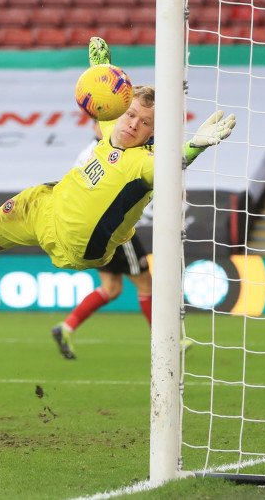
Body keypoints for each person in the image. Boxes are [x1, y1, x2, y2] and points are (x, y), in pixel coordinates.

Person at [0, 37, 236, 329]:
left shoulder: (144, 163)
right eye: (130, 115)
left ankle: (168, 338)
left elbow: (171, 166)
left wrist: (196, 145)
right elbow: (104, 98)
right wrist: (100, 70)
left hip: (78, 246)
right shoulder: (113, 122)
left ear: (153, 134)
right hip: (46, 206)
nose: (133, 124)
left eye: (145, 123)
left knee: (129, 282)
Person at [50, 121, 153, 359]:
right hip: (115, 228)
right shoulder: (106, 152)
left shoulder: (89, 152)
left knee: (112, 288)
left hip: (93, 231)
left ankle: (67, 327)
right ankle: (168, 341)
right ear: (97, 128)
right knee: (146, 284)